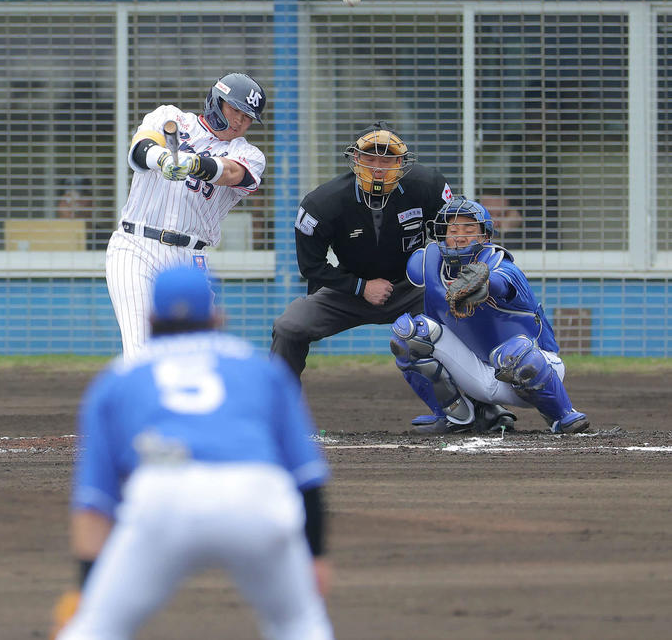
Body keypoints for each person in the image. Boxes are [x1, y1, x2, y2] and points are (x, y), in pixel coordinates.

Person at [52, 265, 334, 640]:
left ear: (151, 319)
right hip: (254, 495)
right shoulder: (258, 368)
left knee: (98, 626)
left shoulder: (118, 379)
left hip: (164, 496)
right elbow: (308, 477)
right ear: (217, 317)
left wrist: (86, 593)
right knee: (299, 623)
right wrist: (316, 556)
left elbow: (94, 504)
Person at [390, 195, 590, 434]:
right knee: (408, 334)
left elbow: (501, 283)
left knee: (513, 353)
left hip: (535, 368)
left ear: (485, 236)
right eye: (453, 230)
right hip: (479, 372)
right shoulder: (430, 265)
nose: (460, 236)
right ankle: (456, 416)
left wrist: (483, 285)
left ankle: (561, 414)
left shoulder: (501, 263)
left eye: (469, 229)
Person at [270, 121, 452, 378]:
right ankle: (276, 401)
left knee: (463, 312)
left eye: (387, 160)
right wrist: (360, 287)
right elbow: (311, 266)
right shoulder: (322, 203)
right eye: (369, 158)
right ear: (355, 159)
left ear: (401, 162)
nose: (377, 168)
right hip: (347, 290)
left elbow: (454, 234)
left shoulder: (427, 186)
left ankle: (473, 398)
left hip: (413, 286)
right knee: (289, 326)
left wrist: (449, 277)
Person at [106, 73, 268, 357]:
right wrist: (162, 159)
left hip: (191, 257)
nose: (240, 121)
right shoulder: (171, 117)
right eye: (235, 109)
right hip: (136, 246)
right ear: (217, 101)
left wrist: (194, 164)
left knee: (197, 353)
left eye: (248, 117)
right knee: (142, 350)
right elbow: (141, 149)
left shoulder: (249, 154)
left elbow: (232, 172)